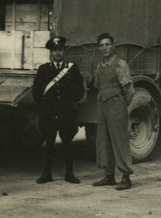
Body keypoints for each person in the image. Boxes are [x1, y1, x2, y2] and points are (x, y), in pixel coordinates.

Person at [31, 36, 85, 184]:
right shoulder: (43, 69)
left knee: (68, 144)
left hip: (66, 113)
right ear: (50, 52)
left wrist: (70, 104)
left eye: (60, 50)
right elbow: (36, 91)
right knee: (48, 144)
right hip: (49, 113)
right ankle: (46, 173)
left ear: (64, 51)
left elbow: (80, 89)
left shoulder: (72, 68)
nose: (57, 53)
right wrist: (43, 108)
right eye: (54, 50)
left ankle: (69, 173)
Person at [91, 33, 135, 191]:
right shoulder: (100, 66)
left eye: (107, 44)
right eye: (101, 45)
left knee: (119, 141)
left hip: (116, 105)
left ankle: (126, 177)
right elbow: (97, 84)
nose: (104, 48)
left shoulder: (120, 64)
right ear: (99, 48)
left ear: (113, 46)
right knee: (103, 139)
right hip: (102, 104)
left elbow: (129, 90)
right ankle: (109, 175)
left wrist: (122, 105)